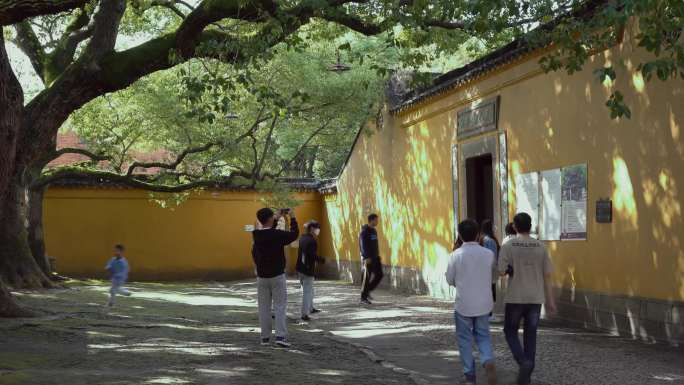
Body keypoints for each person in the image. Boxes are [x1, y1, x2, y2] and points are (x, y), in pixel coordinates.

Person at [498, 212, 556, 385]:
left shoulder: (508, 246)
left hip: (516, 296)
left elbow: (501, 271)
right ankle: (526, 376)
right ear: (530, 226)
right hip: (535, 298)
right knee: (531, 335)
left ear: (515, 226)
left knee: (510, 331)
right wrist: (551, 300)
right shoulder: (541, 246)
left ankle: (524, 362)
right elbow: (547, 275)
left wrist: (509, 269)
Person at [445, 220, 498, 385]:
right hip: (484, 303)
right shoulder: (488, 254)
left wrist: (459, 282)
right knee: (483, 336)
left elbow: (449, 279)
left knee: (464, 340)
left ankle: (469, 376)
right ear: (477, 234)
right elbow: (494, 277)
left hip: (464, 304)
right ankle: (488, 359)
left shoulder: (455, 255)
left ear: (460, 235)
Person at [252, 207, 299, 348]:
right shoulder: (278, 235)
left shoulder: (256, 235)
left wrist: (276, 217)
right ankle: (280, 336)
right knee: (280, 306)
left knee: (264, 308)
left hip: (262, 277)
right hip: (277, 275)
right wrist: (293, 217)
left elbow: (268, 230)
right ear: (270, 219)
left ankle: (265, 338)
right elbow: (294, 234)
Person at [296, 220, 325, 321]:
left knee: (310, 290)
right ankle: (304, 314)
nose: (318, 230)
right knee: (307, 292)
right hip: (307, 269)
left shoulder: (302, 238)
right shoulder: (312, 241)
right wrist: (322, 260)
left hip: (300, 268)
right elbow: (312, 255)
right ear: (312, 229)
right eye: (317, 228)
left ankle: (311, 308)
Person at [359, 213, 383, 305]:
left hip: (375, 258)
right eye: (376, 220)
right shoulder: (364, 232)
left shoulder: (374, 231)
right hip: (368, 259)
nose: (377, 222)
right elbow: (362, 245)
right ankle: (363, 297)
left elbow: (375, 244)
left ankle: (368, 290)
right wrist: (366, 257)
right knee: (366, 278)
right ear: (371, 220)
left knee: (380, 274)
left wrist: (377, 255)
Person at [481, 219, 500, 321]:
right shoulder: (491, 241)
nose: (495, 227)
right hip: (490, 271)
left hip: (482, 270)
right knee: (491, 291)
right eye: (493, 225)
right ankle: (490, 314)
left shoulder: (481, 239)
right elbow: (492, 257)